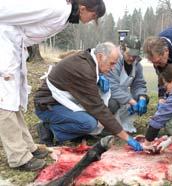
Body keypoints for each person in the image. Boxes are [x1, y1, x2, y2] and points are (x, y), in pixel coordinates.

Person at [0, 0, 106, 171]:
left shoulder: (64, 15)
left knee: (15, 101)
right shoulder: (56, 8)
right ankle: (18, 157)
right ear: (84, 8)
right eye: (93, 16)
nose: (90, 21)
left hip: (14, 46)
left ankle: (28, 147)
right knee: (5, 103)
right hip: (4, 44)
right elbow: (7, 10)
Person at [34, 42, 143, 152]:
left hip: (63, 101)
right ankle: (49, 129)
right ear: (100, 56)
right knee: (89, 123)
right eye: (111, 63)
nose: (113, 68)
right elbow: (98, 108)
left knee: (96, 122)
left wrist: (99, 78)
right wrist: (127, 138)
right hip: (48, 104)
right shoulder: (85, 69)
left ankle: (69, 130)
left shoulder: (89, 61)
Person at [106, 35, 149, 133]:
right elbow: (113, 87)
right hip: (108, 94)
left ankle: (124, 123)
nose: (131, 58)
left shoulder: (137, 65)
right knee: (112, 104)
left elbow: (139, 84)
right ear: (122, 49)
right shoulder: (114, 62)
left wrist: (142, 97)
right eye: (129, 54)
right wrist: (132, 102)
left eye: (135, 55)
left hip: (124, 94)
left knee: (143, 98)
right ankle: (106, 126)